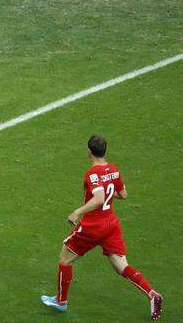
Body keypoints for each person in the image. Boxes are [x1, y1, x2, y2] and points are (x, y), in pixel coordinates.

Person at [41, 135, 162, 320]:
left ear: (89, 151)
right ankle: (152, 294)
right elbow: (123, 194)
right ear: (105, 151)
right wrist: (108, 195)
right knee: (122, 266)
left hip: (93, 226)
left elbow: (98, 199)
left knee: (65, 258)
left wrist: (77, 211)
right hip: (111, 224)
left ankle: (60, 301)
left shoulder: (92, 174)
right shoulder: (113, 169)